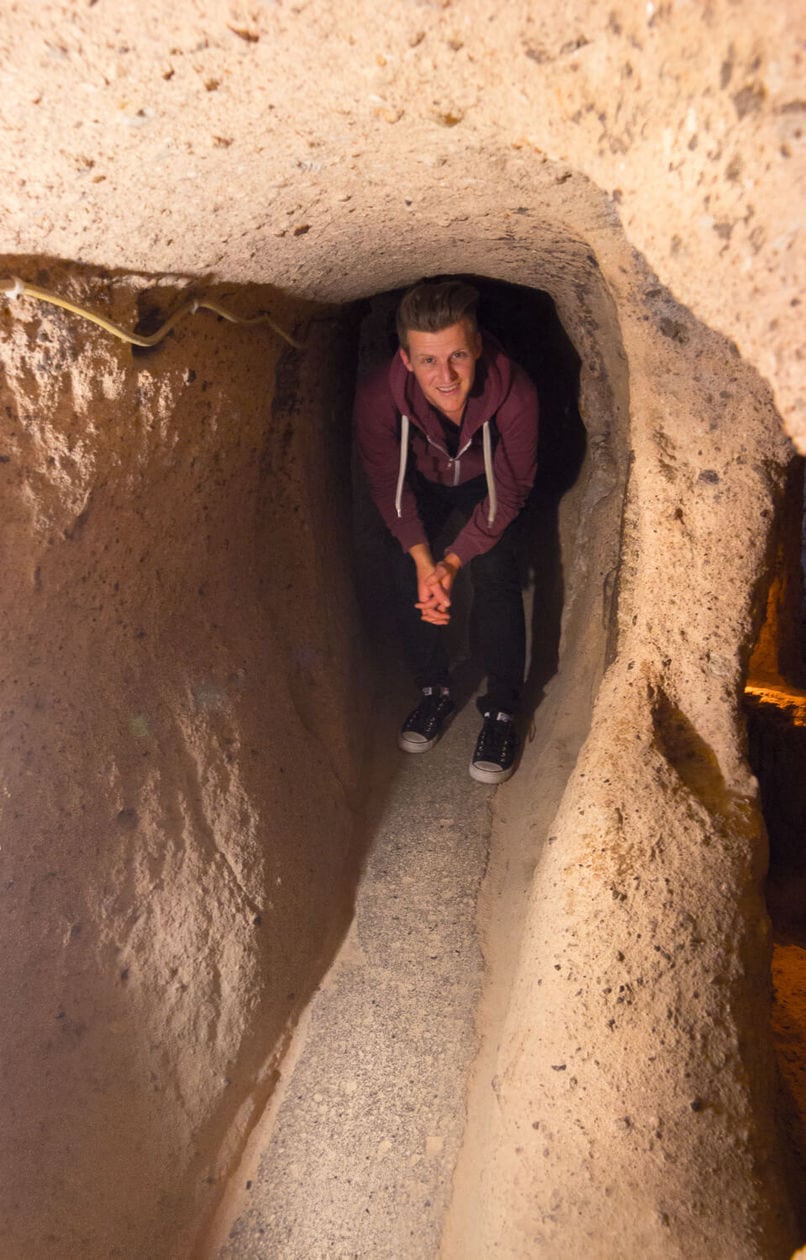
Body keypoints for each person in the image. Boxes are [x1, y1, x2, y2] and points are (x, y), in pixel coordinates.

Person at [355, 279, 538, 783]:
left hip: (489, 485)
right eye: (429, 360)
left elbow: (513, 488)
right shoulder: (379, 396)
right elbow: (386, 484)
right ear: (407, 360)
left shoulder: (515, 394)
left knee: (497, 572)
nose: (447, 375)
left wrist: (455, 561)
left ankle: (502, 708)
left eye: (457, 355)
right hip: (426, 483)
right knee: (405, 568)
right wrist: (424, 561)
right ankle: (433, 689)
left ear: (477, 346)